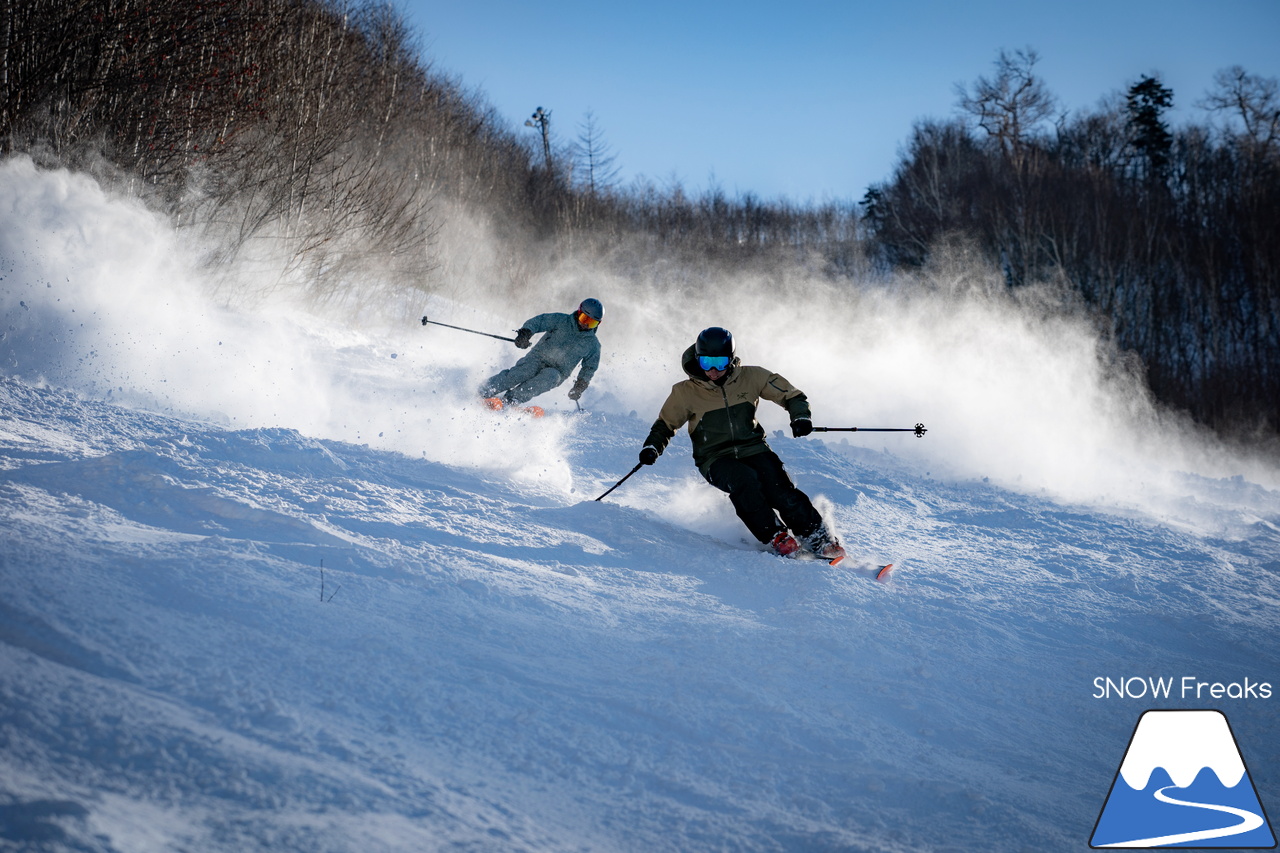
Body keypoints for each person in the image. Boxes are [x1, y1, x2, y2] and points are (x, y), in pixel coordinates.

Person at [637, 326, 846, 564]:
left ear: (732, 359)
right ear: (697, 359)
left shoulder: (751, 377)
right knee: (744, 481)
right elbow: (665, 424)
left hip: (754, 448)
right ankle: (776, 536)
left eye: (720, 362)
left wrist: (800, 417)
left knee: (779, 488)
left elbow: (792, 395)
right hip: (714, 458)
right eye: (706, 362)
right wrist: (652, 447)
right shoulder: (685, 392)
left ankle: (819, 538)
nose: (713, 371)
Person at [480, 298, 603, 412]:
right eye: (584, 319)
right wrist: (525, 333)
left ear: (598, 324)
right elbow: (539, 321)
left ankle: (511, 400)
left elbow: (589, 368)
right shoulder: (561, 320)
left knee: (550, 378)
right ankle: (485, 390)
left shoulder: (592, 344)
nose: (585, 325)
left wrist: (580, 386)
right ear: (578, 312)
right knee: (522, 372)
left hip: (558, 371)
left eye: (591, 323)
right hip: (538, 357)